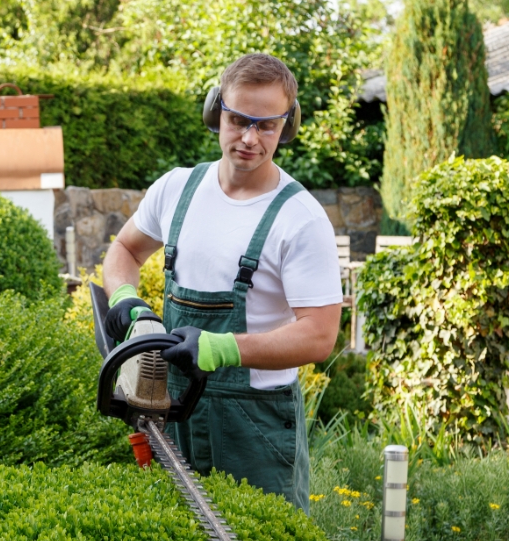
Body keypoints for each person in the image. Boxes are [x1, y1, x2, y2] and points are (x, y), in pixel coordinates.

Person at [101, 53, 342, 512]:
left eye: (266, 125)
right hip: (171, 409)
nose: (250, 138)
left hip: (254, 426)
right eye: (238, 120)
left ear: (287, 125)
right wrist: (126, 298)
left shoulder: (300, 218)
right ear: (216, 112)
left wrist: (223, 348)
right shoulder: (176, 189)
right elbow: (125, 251)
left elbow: (319, 335)